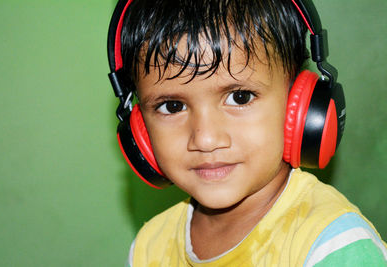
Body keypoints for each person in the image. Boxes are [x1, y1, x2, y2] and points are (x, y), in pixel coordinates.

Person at [106, 0, 387, 265]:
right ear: (139, 128)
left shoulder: (333, 244)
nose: (205, 139)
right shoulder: (148, 247)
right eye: (172, 106)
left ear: (299, 104)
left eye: (240, 97)